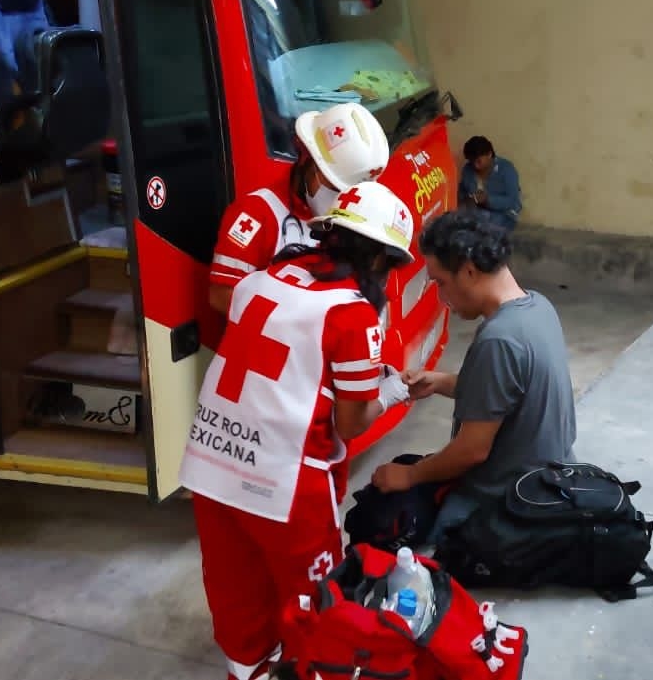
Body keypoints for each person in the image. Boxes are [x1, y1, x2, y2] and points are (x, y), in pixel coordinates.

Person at [181, 181, 417, 680]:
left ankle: (248, 672)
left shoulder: (260, 280)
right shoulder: (353, 314)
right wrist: (391, 394)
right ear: (380, 262)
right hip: (284, 482)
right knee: (317, 603)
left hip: (210, 464)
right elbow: (350, 423)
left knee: (235, 591)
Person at [370, 207, 575, 546]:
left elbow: (471, 451)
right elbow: (513, 393)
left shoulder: (499, 339)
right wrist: (439, 382)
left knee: (382, 511)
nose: (440, 296)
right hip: (549, 479)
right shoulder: (538, 307)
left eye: (440, 282)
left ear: (468, 271)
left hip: (507, 501)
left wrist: (409, 476)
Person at [208, 102, 392, 314]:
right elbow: (221, 295)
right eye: (335, 187)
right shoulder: (256, 214)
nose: (341, 199)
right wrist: (296, 326)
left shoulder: (357, 218)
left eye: (350, 192)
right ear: (307, 158)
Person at [457, 135, 522, 232]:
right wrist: (466, 200)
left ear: (489, 154)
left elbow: (512, 201)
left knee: (485, 227)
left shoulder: (506, 169)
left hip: (504, 214)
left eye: (479, 161)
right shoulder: (468, 170)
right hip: (477, 212)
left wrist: (487, 200)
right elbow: (462, 192)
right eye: (472, 161)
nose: (475, 165)